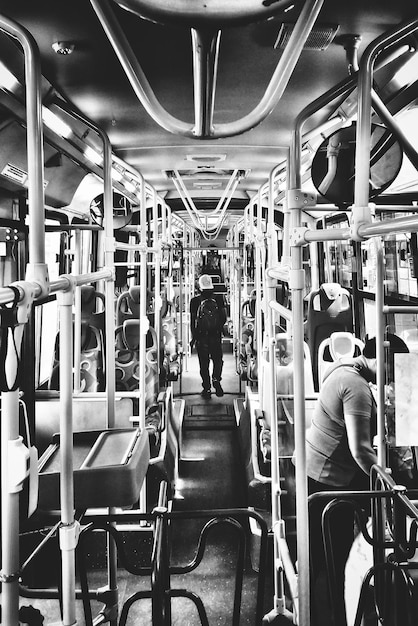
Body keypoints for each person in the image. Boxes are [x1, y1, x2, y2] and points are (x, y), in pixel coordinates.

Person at [305, 333, 408, 626]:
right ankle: (337, 614)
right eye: (391, 368)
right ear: (382, 358)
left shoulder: (343, 368)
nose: (391, 378)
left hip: (321, 472)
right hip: (329, 480)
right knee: (333, 556)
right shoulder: (356, 387)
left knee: (321, 554)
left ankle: (331, 607)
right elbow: (361, 450)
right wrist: (388, 482)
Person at [190, 274, 227, 398]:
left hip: (201, 337)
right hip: (215, 336)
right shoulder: (220, 298)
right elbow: (224, 318)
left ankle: (206, 387)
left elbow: (192, 321)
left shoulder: (195, 301)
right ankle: (216, 379)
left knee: (204, 363)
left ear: (199, 286)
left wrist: (193, 337)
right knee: (217, 360)